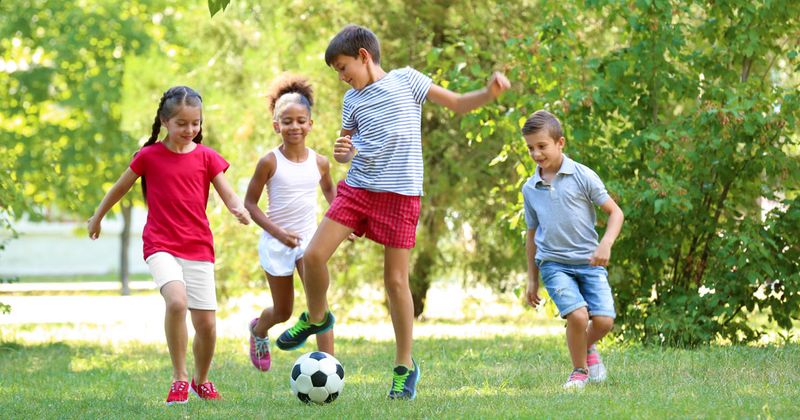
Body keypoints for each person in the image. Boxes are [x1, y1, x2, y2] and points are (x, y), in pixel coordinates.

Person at [275, 24, 510, 400]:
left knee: (396, 282)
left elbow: (455, 102)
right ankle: (316, 317)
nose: (340, 77)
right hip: (358, 189)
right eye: (336, 71)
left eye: (342, 66)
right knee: (314, 255)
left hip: (401, 196)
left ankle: (404, 367)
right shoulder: (352, 101)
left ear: (364, 56)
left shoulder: (407, 81)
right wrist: (343, 153)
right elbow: (349, 146)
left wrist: (488, 93)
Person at [87, 86, 251, 405]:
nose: (190, 130)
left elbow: (227, 192)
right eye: (182, 124)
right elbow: (119, 188)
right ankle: (178, 378)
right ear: (165, 121)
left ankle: (200, 380)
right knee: (176, 302)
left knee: (207, 326)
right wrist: (97, 216)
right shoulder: (149, 156)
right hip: (160, 243)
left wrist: (237, 208)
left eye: (196, 123)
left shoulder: (207, 157)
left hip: (198, 246)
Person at [521, 110, 624, 390]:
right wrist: (532, 278)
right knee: (578, 316)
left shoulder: (582, 176)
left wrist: (606, 244)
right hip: (554, 263)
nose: (536, 153)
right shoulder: (530, 188)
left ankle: (586, 348)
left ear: (560, 143)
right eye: (530, 147)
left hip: (590, 262)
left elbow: (615, 213)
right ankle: (579, 371)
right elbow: (532, 235)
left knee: (603, 321)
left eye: (542, 146)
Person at [243, 74, 338, 372]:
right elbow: (250, 204)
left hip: (310, 242)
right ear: (276, 125)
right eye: (287, 121)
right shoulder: (269, 162)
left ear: (310, 124)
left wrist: (341, 222)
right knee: (283, 311)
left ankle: (330, 365)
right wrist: (278, 232)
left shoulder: (320, 162)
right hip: (276, 242)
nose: (294, 127)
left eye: (300, 120)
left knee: (318, 305)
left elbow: (330, 191)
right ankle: (259, 330)